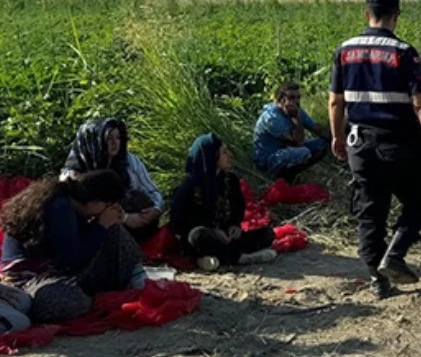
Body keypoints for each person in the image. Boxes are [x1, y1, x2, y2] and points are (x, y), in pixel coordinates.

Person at [329, 0, 421, 299]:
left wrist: (337, 137)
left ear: (366, 13)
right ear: (396, 15)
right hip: (398, 145)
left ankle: (377, 281)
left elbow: (335, 102)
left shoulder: (344, 51)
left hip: (360, 144)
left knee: (371, 210)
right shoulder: (404, 53)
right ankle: (394, 254)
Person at [0, 170, 147, 324]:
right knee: (70, 301)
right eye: (108, 205)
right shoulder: (60, 208)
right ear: (93, 202)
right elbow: (72, 259)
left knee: (114, 230)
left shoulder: (72, 205)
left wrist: (104, 225)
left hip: (58, 271)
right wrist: (101, 225)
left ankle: (135, 273)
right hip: (28, 279)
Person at [169, 134, 278, 272]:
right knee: (198, 235)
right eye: (224, 152)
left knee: (267, 234)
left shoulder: (230, 181)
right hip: (203, 238)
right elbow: (177, 224)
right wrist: (213, 231)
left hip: (226, 236)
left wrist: (234, 226)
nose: (229, 156)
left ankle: (217, 257)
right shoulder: (189, 187)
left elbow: (237, 208)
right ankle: (240, 258)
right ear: (212, 157)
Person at [61, 118, 165, 242]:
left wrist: (154, 210)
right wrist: (125, 218)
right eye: (109, 138)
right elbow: (86, 209)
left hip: (132, 222)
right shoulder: (72, 175)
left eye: (118, 138)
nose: (115, 143)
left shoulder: (129, 161)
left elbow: (152, 192)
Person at [253, 82, 332, 182]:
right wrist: (297, 119)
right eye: (291, 97)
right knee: (303, 152)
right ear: (280, 100)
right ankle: (281, 178)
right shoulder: (272, 118)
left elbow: (318, 129)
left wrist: (338, 139)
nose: (296, 101)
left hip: (287, 151)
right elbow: (298, 142)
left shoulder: (296, 110)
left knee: (322, 144)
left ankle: (292, 175)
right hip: (269, 160)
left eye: (298, 98)